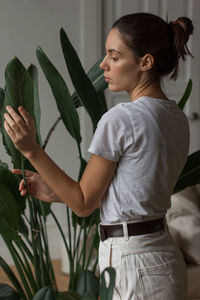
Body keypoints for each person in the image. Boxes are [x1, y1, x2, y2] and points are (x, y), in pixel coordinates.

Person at [4, 12, 193, 300]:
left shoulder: (121, 118)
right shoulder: (176, 117)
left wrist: (31, 150)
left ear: (145, 62)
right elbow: (135, 191)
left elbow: (82, 204)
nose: (103, 65)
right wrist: (55, 192)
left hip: (132, 265)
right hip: (163, 256)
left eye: (114, 57)